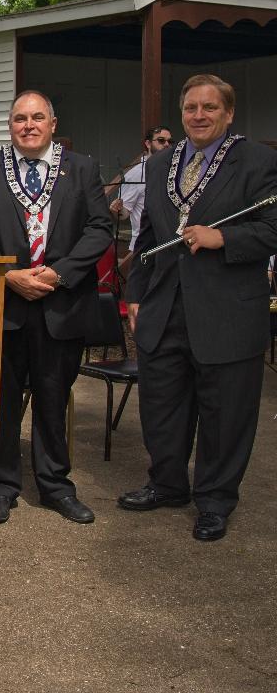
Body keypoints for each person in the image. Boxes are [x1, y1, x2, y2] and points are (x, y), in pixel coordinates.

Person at [120, 74, 277, 541]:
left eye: (210, 108)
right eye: (191, 108)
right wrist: (135, 294)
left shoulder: (258, 160)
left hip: (228, 311)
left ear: (229, 113)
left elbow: (273, 227)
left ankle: (215, 500)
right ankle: (167, 484)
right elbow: (148, 234)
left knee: (225, 414)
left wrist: (223, 237)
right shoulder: (162, 162)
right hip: (164, 307)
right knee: (162, 407)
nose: (199, 116)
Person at [0, 90, 112, 525]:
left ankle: (55, 486)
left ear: (52, 123)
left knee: (52, 398)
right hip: (6, 303)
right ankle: (2, 486)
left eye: (36, 118)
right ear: (9, 125)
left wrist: (58, 273)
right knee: (3, 402)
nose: (28, 125)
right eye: (19, 119)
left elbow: (100, 228)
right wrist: (8, 274)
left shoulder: (81, 168)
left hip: (61, 304)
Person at [109, 126, 173, 254]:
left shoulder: (174, 170)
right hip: (145, 245)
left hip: (170, 243)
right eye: (161, 140)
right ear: (148, 143)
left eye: (170, 141)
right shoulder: (136, 174)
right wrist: (117, 209)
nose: (167, 144)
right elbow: (124, 213)